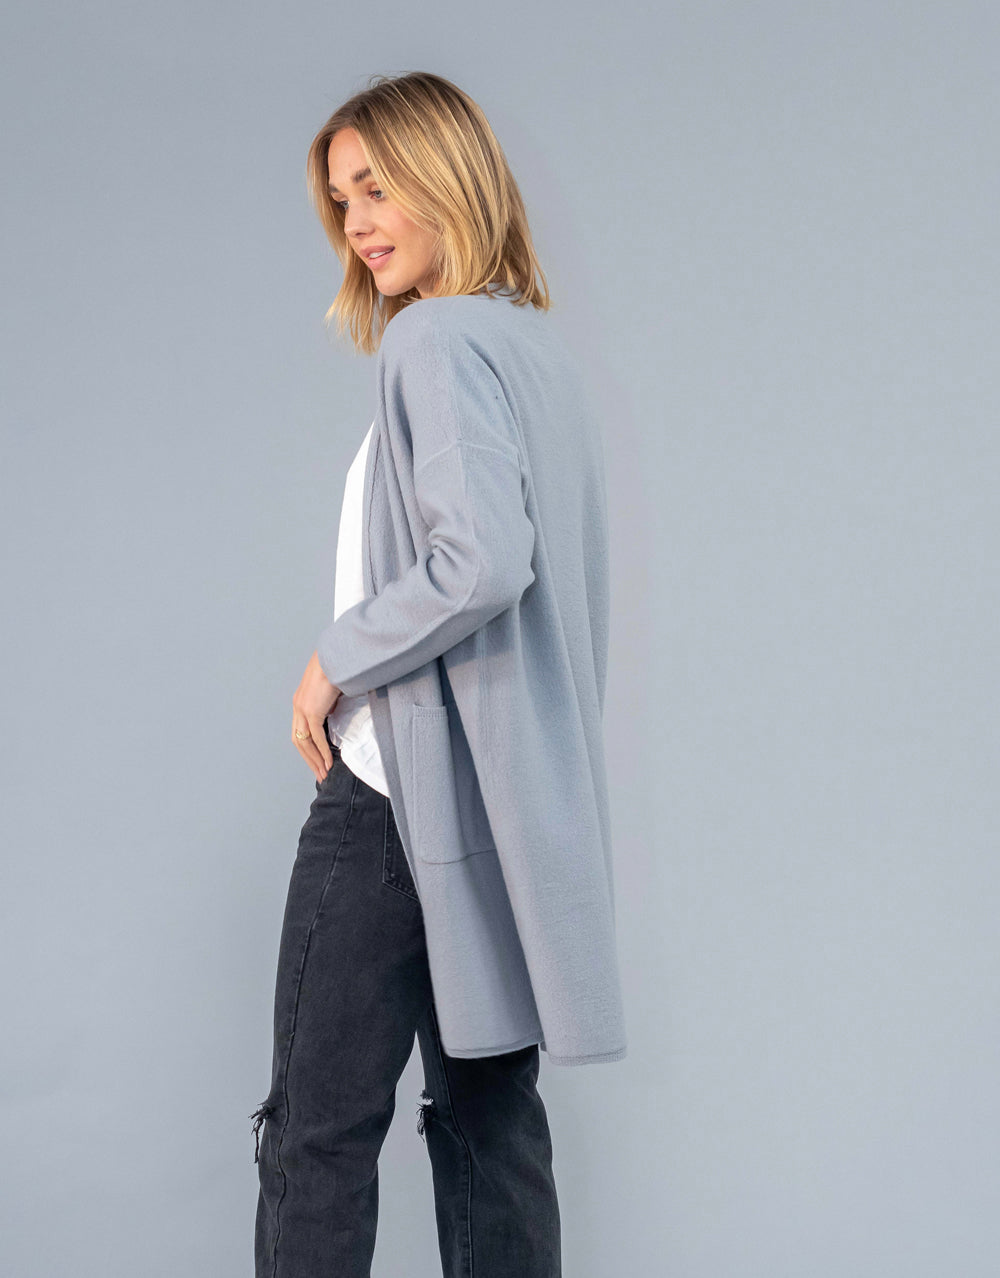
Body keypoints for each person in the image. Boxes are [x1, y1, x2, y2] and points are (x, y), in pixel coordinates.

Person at [250, 70, 627, 1278]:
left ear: (447, 175)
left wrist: (333, 659)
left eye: (377, 187)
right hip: (494, 808)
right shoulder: (532, 349)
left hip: (391, 795)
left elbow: (483, 563)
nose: (357, 225)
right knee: (488, 1129)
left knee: (318, 1137)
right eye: (340, 201)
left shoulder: (433, 337)